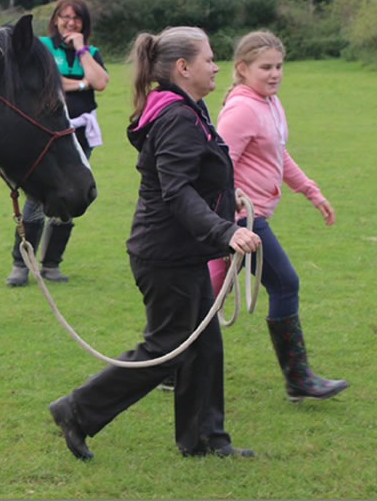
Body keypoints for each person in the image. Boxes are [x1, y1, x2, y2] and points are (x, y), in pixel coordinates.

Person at [49, 26, 261, 460]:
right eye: (209, 58)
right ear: (183, 68)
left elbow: (192, 176)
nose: (216, 65)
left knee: (204, 346)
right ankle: (76, 411)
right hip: (165, 255)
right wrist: (226, 230)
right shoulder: (178, 116)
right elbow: (176, 191)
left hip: (181, 251)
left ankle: (204, 439)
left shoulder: (187, 107)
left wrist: (225, 196)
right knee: (166, 350)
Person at [207, 31, 348, 401]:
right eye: (265, 67)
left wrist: (311, 191)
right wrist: (228, 217)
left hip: (248, 219)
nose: (274, 74)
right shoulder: (241, 109)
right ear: (242, 68)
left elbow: (279, 155)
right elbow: (218, 166)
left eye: (279, 66)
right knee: (285, 284)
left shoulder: (269, 103)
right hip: (242, 221)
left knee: (204, 296)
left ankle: (165, 364)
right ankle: (298, 378)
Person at [6, 0, 108, 286]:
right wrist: (83, 83)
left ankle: (51, 264)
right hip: (45, 135)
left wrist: (80, 50)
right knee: (35, 198)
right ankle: (21, 264)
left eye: (76, 18)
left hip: (80, 136)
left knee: (72, 194)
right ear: (55, 19)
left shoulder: (90, 50)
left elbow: (100, 82)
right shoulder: (42, 47)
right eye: (65, 16)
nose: (70, 22)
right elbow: (51, 83)